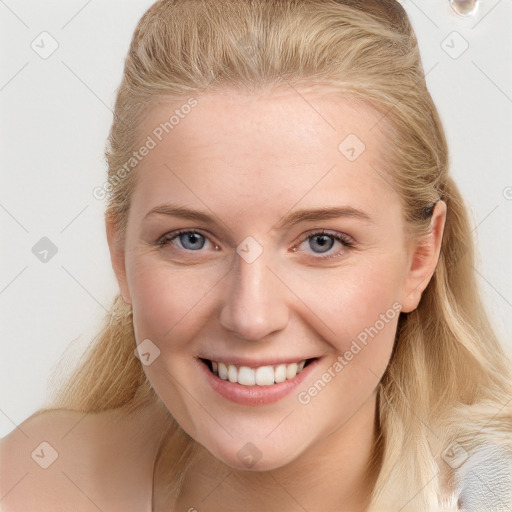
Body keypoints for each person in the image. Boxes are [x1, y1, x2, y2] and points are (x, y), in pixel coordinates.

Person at [1, 1, 511, 510]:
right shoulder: (33, 482)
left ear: (420, 257)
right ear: (120, 253)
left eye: (322, 242)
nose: (251, 316)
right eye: (191, 239)